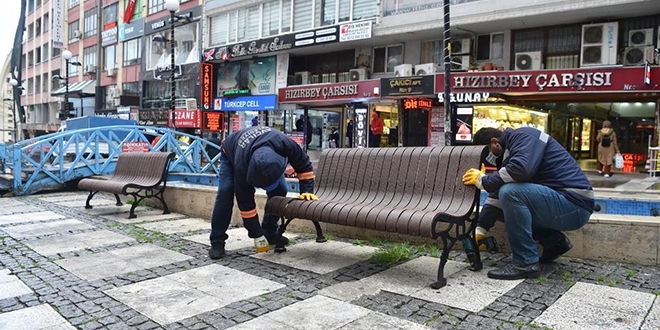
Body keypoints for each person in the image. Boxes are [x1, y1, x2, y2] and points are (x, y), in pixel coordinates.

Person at [462, 127, 594, 280]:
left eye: (486, 152)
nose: (487, 158)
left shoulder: (523, 136)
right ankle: (554, 243)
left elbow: (521, 169)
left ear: (494, 142)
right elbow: (496, 197)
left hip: (574, 204)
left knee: (510, 193)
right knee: (508, 203)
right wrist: (481, 228)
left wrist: (483, 180)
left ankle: (525, 263)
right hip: (565, 204)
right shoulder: (509, 152)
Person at [208, 126, 319, 259]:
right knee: (225, 193)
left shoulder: (286, 144)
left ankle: (270, 231)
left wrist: (307, 191)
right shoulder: (241, 165)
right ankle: (217, 241)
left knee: (281, 189)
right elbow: (245, 202)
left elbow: (304, 166)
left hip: (265, 151)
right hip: (232, 151)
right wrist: (256, 234)